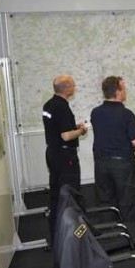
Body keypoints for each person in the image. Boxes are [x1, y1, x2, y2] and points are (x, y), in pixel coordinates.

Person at [90, 76, 135, 222]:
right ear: (118, 92)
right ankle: (129, 230)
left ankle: (109, 229)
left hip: (101, 162)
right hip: (122, 163)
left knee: (105, 199)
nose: (125, 92)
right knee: (126, 200)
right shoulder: (127, 114)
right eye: (123, 89)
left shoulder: (95, 112)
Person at [42, 75, 87, 242]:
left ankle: (55, 234)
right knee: (70, 194)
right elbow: (66, 136)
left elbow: (57, 129)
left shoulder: (49, 105)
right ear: (66, 88)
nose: (74, 88)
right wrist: (81, 131)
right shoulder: (61, 106)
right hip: (65, 156)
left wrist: (73, 127)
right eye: (73, 85)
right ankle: (75, 236)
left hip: (53, 153)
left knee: (56, 194)